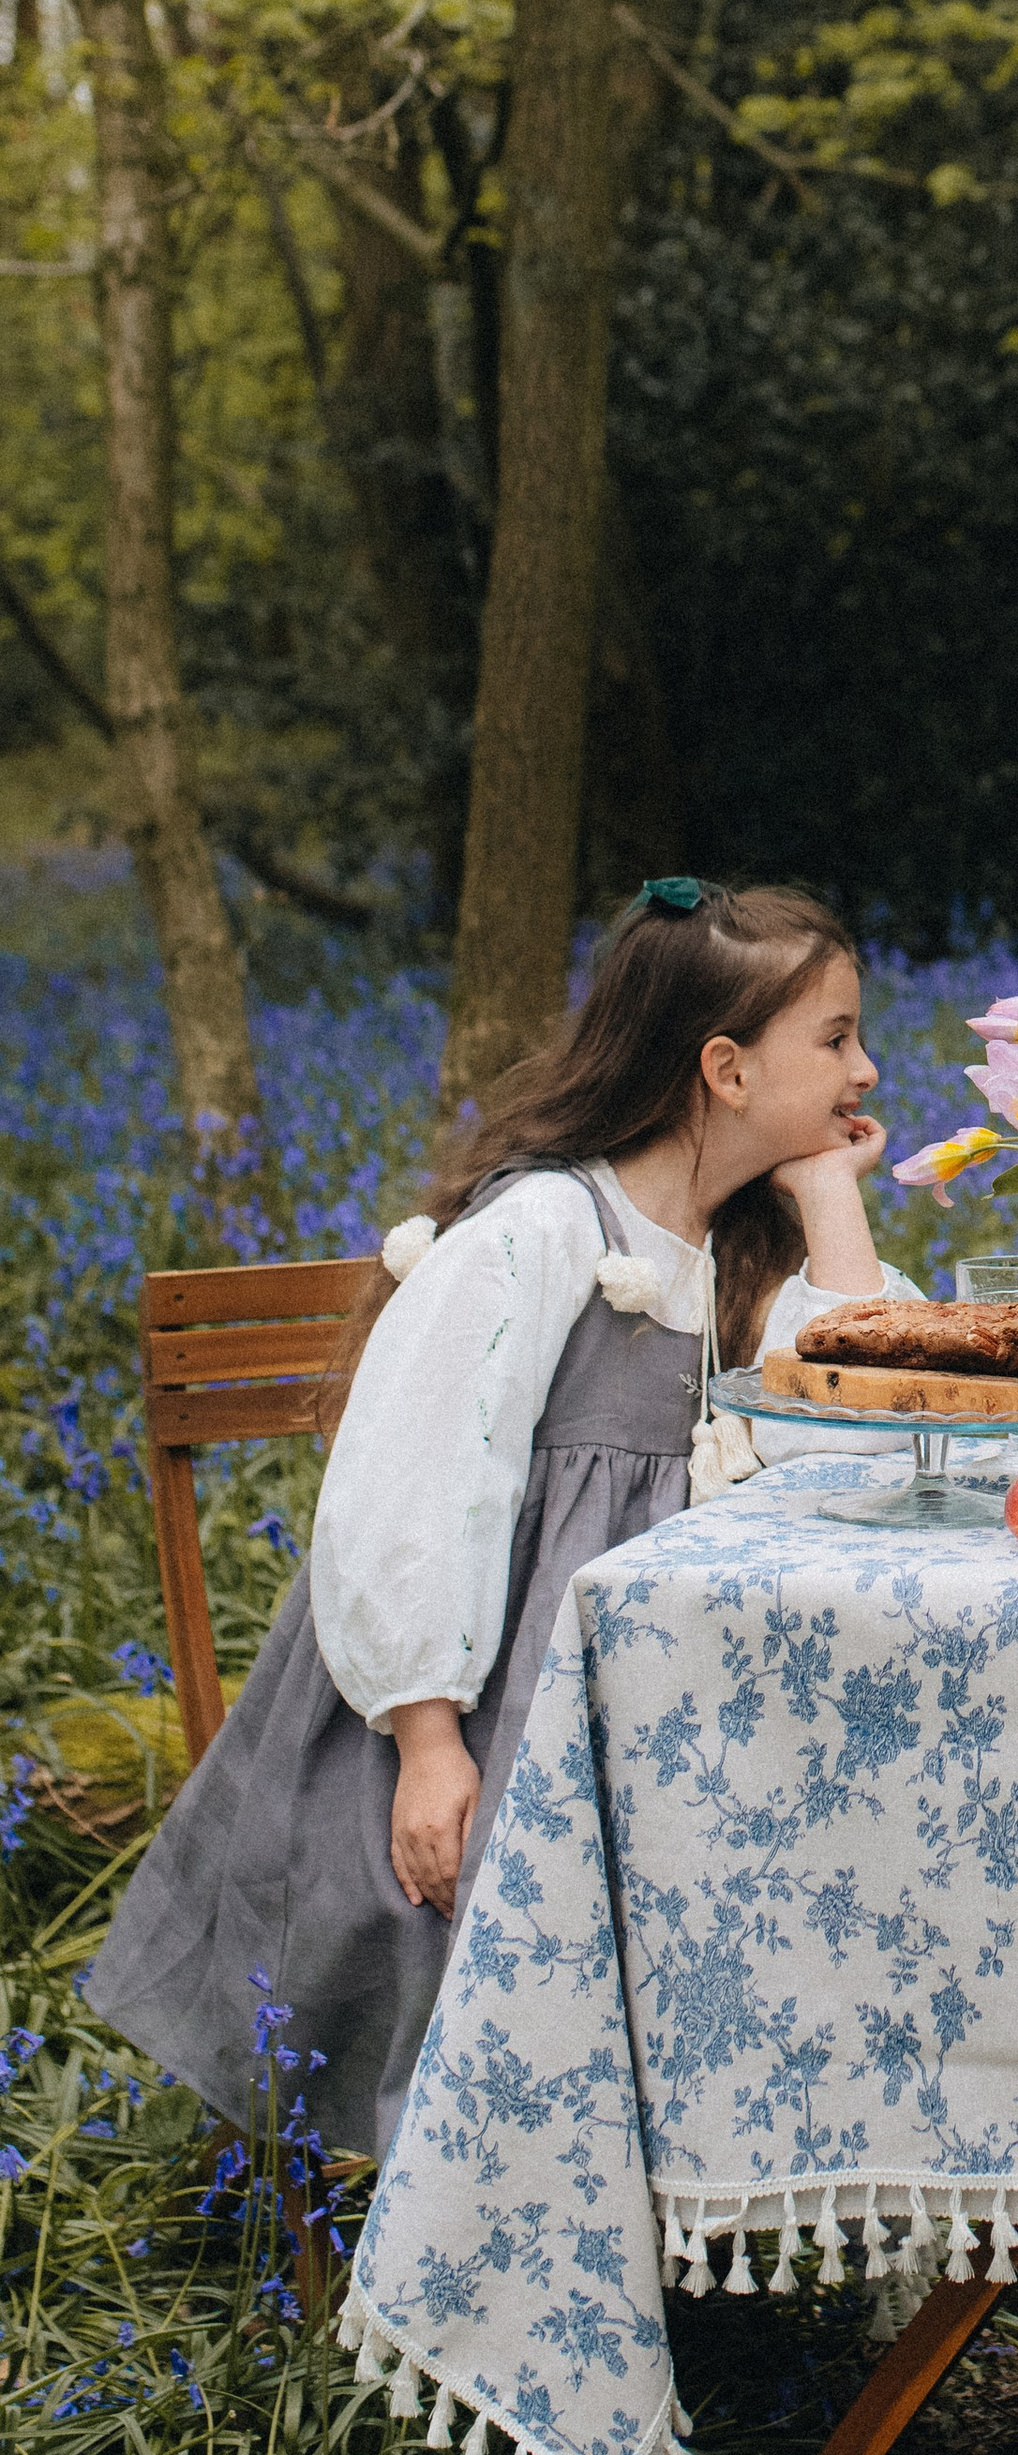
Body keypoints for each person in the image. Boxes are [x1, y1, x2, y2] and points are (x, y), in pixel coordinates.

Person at [91, 878, 923, 2164]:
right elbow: (416, 1479)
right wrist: (428, 1741)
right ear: (726, 1069)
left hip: (652, 1707)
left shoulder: (737, 1250)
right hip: (484, 1709)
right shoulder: (542, 1231)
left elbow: (870, 1423)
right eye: (835, 1040)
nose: (867, 1067)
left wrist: (828, 1200)